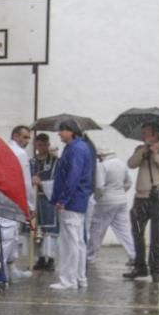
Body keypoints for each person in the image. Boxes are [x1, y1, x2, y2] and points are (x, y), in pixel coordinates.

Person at [124, 124, 159, 283]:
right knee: (137, 232)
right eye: (142, 133)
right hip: (141, 196)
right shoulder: (140, 148)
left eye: (146, 133)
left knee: (157, 234)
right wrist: (144, 150)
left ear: (156, 134)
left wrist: (156, 155)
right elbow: (131, 164)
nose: (143, 136)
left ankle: (155, 269)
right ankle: (140, 266)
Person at [49, 120, 94, 290]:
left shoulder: (75, 149)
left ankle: (68, 280)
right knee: (78, 241)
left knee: (70, 242)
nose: (59, 134)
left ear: (71, 132)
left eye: (62, 130)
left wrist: (63, 199)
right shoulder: (81, 147)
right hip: (78, 199)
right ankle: (80, 277)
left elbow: (72, 176)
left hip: (72, 201)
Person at [86, 139, 136, 267]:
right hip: (121, 201)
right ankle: (134, 255)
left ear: (101, 155)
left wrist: (98, 198)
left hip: (105, 201)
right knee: (124, 230)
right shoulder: (121, 163)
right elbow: (129, 182)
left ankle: (90, 256)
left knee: (97, 230)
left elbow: (100, 186)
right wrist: (120, 192)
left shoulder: (102, 166)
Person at [0, 125, 35, 280]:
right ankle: (1, 272)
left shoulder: (1, 148)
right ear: (15, 136)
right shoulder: (20, 153)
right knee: (10, 235)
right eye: (25, 137)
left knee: (10, 236)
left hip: (1, 196)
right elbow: (26, 181)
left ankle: (10, 268)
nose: (27, 141)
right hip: (13, 197)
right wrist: (30, 205)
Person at [29, 133, 59, 271]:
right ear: (35, 145)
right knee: (36, 229)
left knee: (49, 230)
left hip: (48, 199)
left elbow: (59, 182)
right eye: (39, 144)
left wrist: (42, 183)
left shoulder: (55, 162)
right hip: (35, 199)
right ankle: (40, 258)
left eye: (45, 144)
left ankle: (50, 258)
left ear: (48, 144)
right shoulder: (31, 162)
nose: (42, 147)